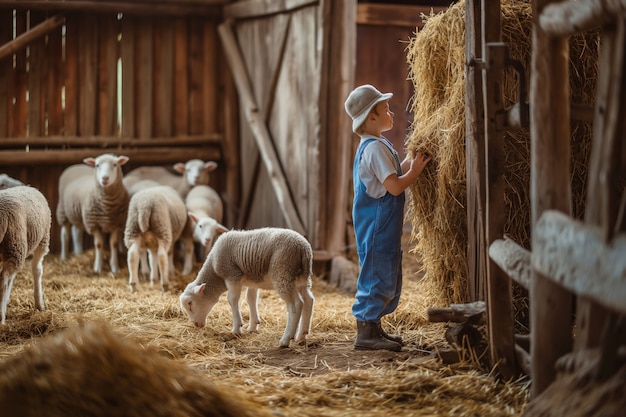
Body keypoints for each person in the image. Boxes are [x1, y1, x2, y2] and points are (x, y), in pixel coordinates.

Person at [344, 84, 431, 351]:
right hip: (377, 226)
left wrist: (411, 161)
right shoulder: (373, 149)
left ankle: (375, 328)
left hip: (383, 225)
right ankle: (366, 333)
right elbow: (394, 186)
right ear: (372, 116)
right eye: (386, 109)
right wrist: (414, 172)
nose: (391, 113)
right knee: (376, 274)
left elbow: (393, 173)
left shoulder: (377, 144)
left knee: (384, 272)